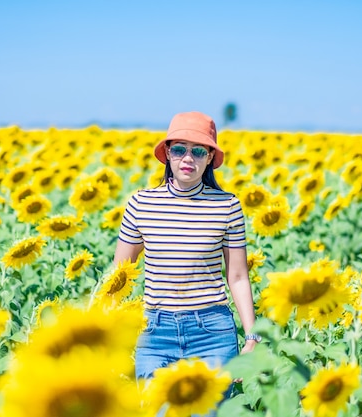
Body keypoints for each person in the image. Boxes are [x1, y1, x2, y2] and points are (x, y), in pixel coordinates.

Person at [113, 111, 260, 413]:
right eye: (179, 149)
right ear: (167, 153)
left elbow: (238, 277)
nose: (187, 158)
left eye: (198, 151)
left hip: (212, 332)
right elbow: (119, 275)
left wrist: (252, 334)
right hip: (155, 332)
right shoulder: (141, 204)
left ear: (210, 158)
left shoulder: (227, 205)